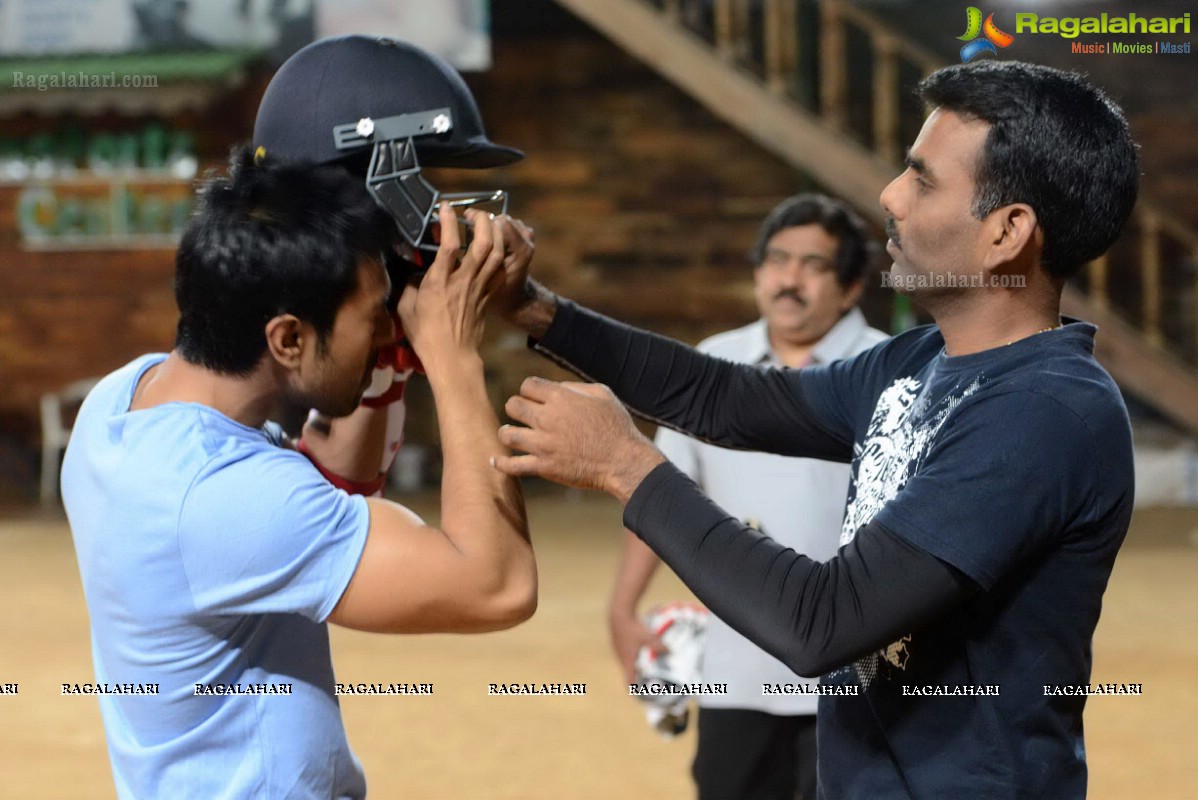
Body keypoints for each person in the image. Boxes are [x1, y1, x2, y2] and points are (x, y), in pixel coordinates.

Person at [489, 60, 1139, 797]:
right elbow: (721, 397)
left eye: (923, 180)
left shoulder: (1043, 412)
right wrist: (534, 308)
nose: (889, 195)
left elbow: (824, 622)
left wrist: (625, 468)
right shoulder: (916, 361)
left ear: (1007, 231)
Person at [60, 37, 536, 799]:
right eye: (371, 319)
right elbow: (496, 585)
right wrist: (453, 359)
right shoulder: (225, 500)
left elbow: (332, 483)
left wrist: (387, 362)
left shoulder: (127, 401)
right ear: (287, 338)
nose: (383, 332)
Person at [608, 193, 886, 800]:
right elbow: (658, 487)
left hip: (854, 673)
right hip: (735, 669)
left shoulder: (886, 371)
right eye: (777, 260)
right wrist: (622, 609)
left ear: (850, 287)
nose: (790, 279)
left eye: (813, 265)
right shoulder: (716, 362)